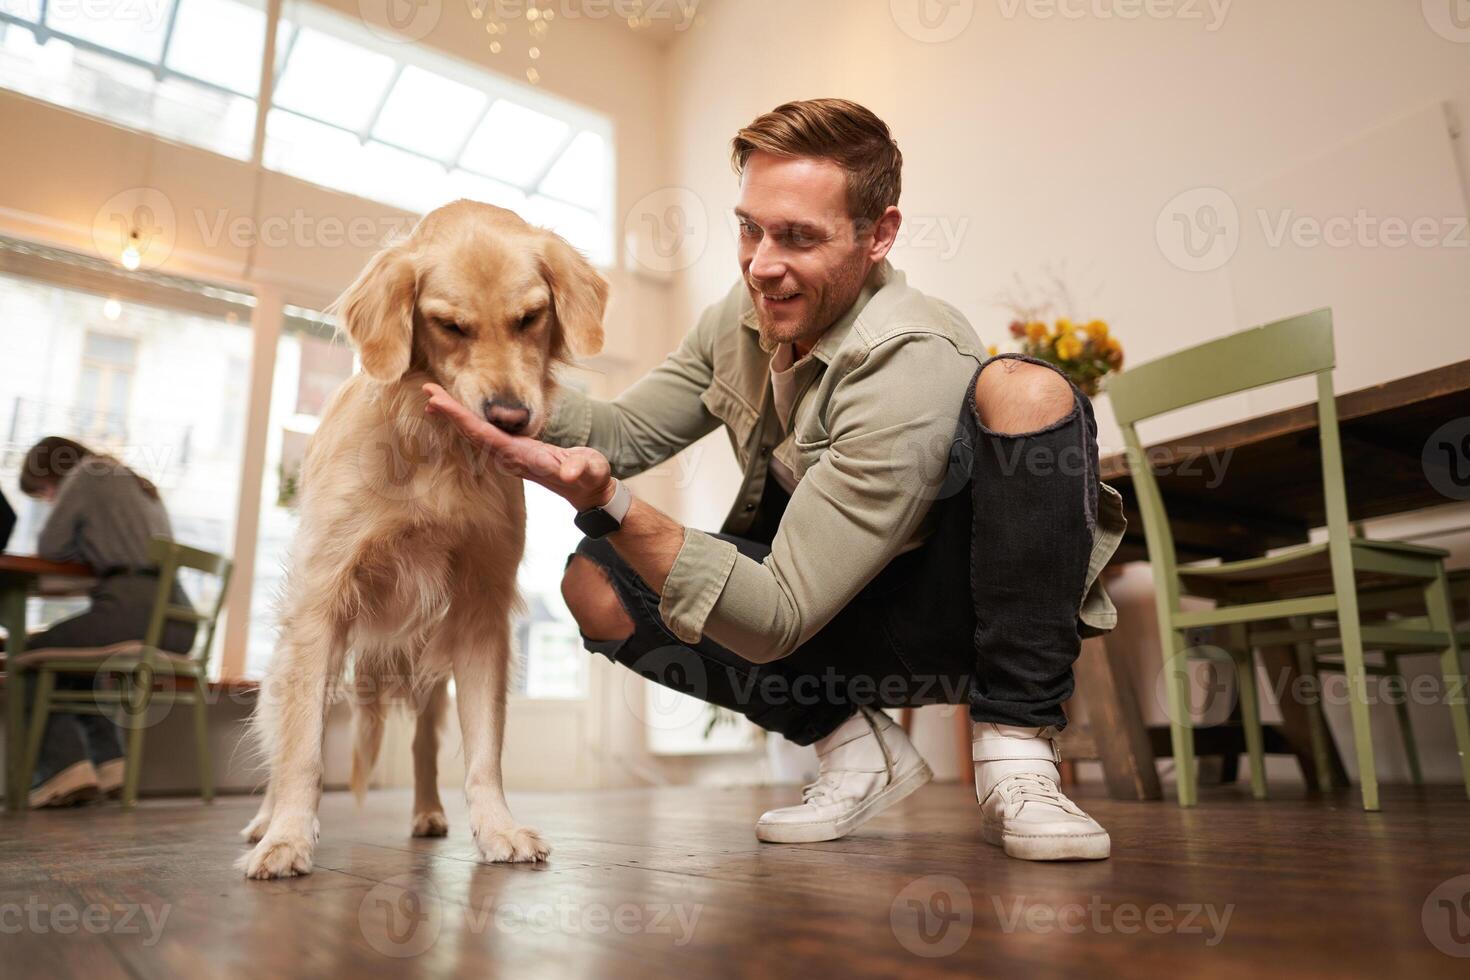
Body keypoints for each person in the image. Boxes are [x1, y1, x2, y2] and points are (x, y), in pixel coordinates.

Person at [424, 99, 1126, 861]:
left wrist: (607, 501)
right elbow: (624, 433)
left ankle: (1017, 758)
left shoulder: (906, 352)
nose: (762, 263)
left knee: (1027, 389)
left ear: (878, 234)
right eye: (749, 228)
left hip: (944, 621)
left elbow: (780, 610)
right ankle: (856, 751)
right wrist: (498, 383)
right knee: (597, 580)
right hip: (828, 616)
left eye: (797, 237)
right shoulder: (744, 313)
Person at [17, 436, 196, 807]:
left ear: (53, 473)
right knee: (77, 660)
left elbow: (51, 546)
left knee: (33, 651)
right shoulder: (132, 479)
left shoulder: (86, 475)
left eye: (46, 492)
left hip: (135, 608)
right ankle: (110, 767)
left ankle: (60, 771)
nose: (50, 500)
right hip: (177, 616)